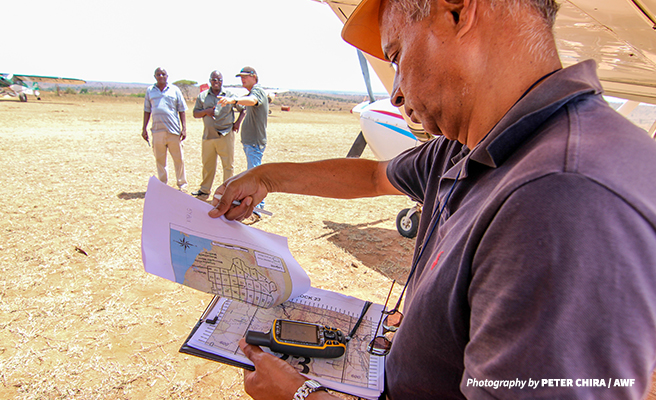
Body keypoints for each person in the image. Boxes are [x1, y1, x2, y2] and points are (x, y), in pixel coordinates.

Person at [210, 0, 656, 399]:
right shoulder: (466, 147)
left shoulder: (565, 196)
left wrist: (302, 395)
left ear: (459, 11)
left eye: (398, 55)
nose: (397, 91)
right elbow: (371, 174)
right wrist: (265, 176)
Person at [219, 66, 269, 223]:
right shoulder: (252, 92)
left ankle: (257, 211)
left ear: (254, 76)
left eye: (245, 76)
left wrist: (233, 100)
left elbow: (253, 101)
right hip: (251, 142)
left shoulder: (257, 91)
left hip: (254, 142)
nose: (242, 79)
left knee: (255, 178)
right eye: (241, 77)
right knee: (253, 175)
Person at [191, 70, 245, 201]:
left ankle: (227, 192)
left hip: (225, 134)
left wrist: (237, 123)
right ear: (210, 81)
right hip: (208, 136)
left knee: (228, 165)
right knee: (208, 165)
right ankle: (204, 191)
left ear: (222, 81)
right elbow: (195, 113)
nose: (217, 82)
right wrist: (206, 111)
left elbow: (243, 109)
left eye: (219, 80)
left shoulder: (229, 95)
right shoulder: (203, 96)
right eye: (214, 80)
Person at [142, 67, 188, 191]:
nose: (161, 76)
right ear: (155, 76)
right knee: (160, 160)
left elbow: (182, 109)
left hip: (173, 131)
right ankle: (163, 185)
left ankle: (182, 184)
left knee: (179, 159)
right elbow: (147, 110)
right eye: (158, 74)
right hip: (157, 131)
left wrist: (183, 128)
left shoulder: (174, 90)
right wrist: (144, 128)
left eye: (163, 74)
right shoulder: (150, 91)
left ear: (167, 76)